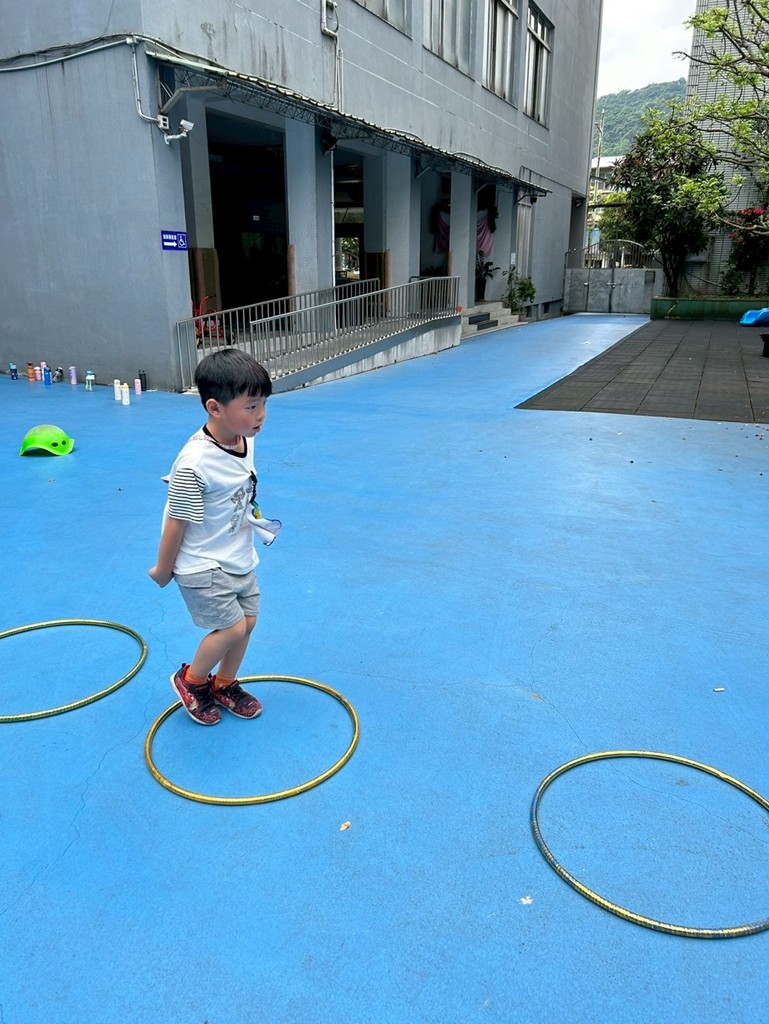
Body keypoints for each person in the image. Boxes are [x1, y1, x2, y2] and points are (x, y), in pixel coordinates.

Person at [149, 348, 273, 725]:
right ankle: (192, 681)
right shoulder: (194, 464)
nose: (261, 414)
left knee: (248, 621)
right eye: (251, 406)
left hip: (236, 553)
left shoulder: (244, 437)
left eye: (264, 403)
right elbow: (176, 521)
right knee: (232, 627)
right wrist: (163, 569)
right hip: (201, 562)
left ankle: (224, 684)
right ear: (215, 408)